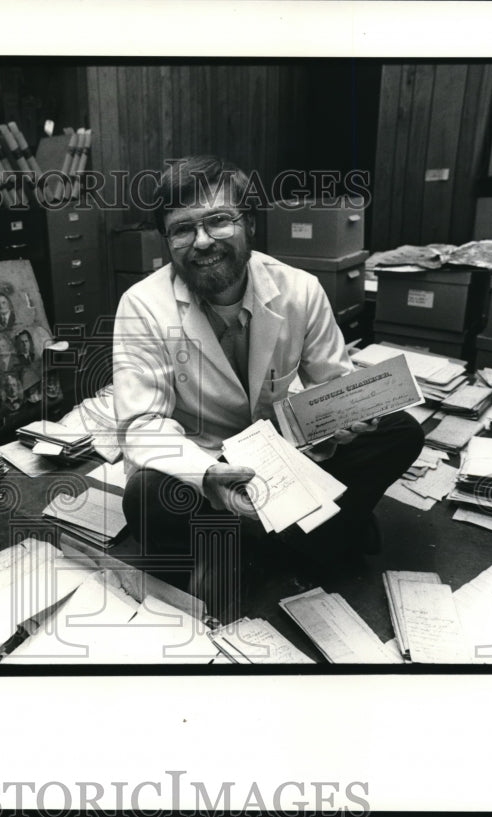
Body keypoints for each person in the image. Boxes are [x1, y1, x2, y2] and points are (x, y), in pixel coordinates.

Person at [114, 155, 423, 615]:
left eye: (218, 221)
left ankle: (239, 548)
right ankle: (316, 536)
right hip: (205, 458)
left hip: (281, 450)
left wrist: (344, 423)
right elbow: (141, 425)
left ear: (249, 224)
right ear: (167, 239)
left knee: (401, 432)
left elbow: (333, 383)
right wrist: (206, 474)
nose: (201, 242)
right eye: (182, 228)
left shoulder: (299, 289)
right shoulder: (142, 305)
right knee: (145, 497)